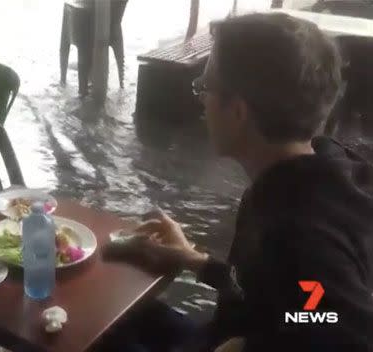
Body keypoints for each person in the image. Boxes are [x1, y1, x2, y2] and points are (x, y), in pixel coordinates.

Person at [103, 13, 373, 351]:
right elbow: (293, 300)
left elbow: (339, 328)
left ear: (239, 111)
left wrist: (252, 345)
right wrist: (192, 260)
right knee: (114, 312)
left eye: (204, 88)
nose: (201, 100)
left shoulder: (303, 232)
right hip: (220, 334)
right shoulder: (313, 170)